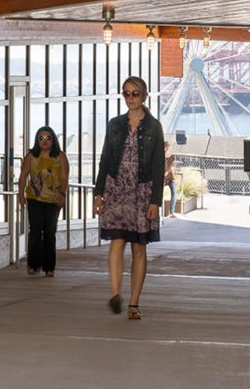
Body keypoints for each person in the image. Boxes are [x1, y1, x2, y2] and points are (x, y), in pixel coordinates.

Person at [93, 76, 165, 321]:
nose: (130, 98)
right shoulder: (115, 125)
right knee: (116, 241)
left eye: (135, 93)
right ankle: (115, 294)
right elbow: (104, 159)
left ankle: (134, 303)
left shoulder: (154, 127)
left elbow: (158, 166)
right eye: (126, 93)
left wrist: (155, 200)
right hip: (116, 188)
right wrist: (98, 192)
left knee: (138, 248)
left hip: (142, 191)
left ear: (144, 95)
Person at [18, 125, 69, 277]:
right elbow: (23, 176)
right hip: (34, 198)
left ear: (53, 140)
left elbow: (65, 177)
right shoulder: (31, 156)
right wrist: (21, 195)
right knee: (35, 230)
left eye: (48, 138)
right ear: (37, 140)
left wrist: (62, 194)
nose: (44, 141)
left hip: (53, 199)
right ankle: (33, 265)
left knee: (49, 232)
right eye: (41, 138)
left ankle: (49, 267)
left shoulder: (60, 156)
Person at [164, 141, 178, 217]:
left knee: (174, 193)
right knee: (159, 194)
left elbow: (171, 167)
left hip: (171, 177)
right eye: (166, 146)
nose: (167, 147)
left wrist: (166, 172)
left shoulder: (171, 156)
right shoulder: (160, 156)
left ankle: (171, 212)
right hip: (163, 178)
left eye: (168, 146)